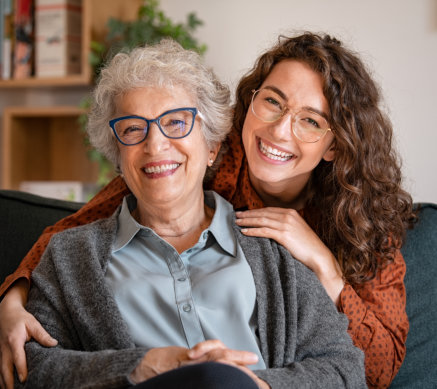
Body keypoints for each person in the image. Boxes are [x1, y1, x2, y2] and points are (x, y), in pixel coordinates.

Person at [0, 32, 412, 388]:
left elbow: (360, 372)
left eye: (311, 121)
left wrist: (324, 266)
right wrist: (12, 296)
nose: (156, 145)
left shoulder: (325, 242)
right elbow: (71, 233)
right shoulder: (81, 250)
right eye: (273, 102)